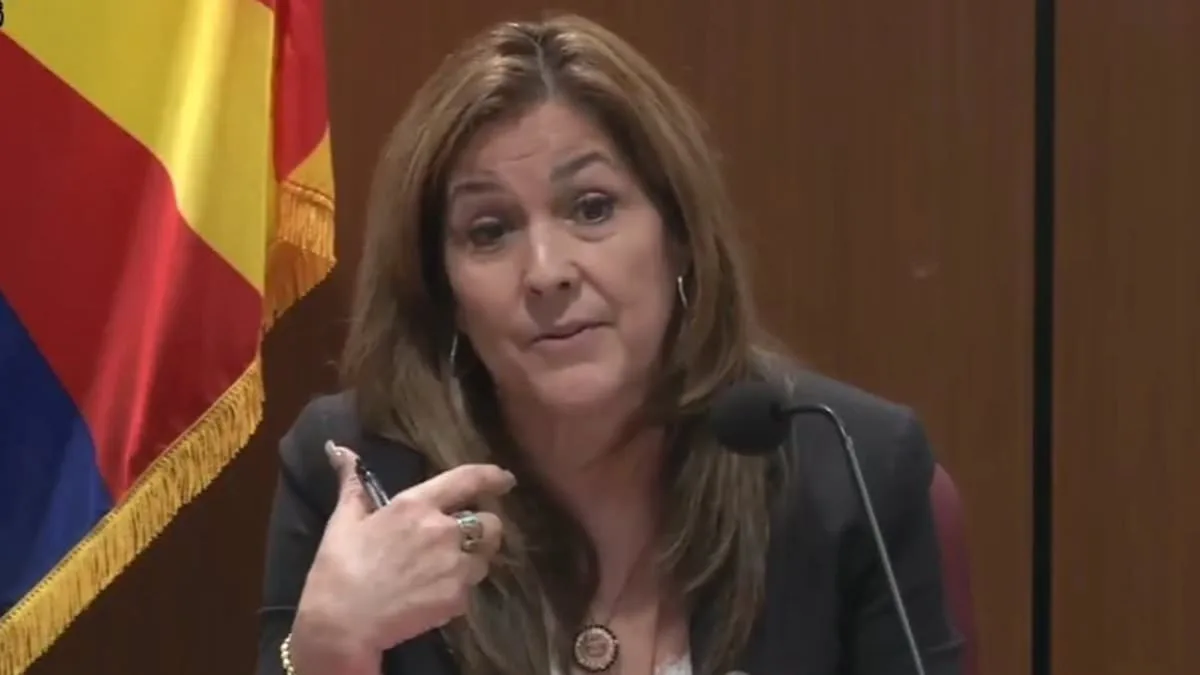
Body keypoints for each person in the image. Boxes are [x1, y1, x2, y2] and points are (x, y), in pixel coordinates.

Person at [256, 13, 963, 675]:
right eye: (489, 231)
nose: (547, 272)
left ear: (678, 237)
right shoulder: (358, 477)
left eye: (592, 208)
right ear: (443, 291)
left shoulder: (851, 469)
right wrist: (330, 651)